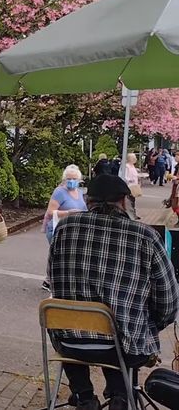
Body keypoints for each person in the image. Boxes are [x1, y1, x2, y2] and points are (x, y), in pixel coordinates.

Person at [48, 174, 179, 410]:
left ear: (88, 201)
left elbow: (53, 280)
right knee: (123, 332)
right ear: (124, 201)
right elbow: (168, 302)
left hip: (68, 342)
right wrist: (152, 323)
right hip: (123, 345)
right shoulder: (144, 236)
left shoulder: (65, 228)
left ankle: (84, 396)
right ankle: (120, 395)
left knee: (78, 328)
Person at [42, 164, 87, 291]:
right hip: (57, 228)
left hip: (73, 228)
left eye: (74, 179)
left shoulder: (79, 192)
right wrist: (68, 213)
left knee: (69, 255)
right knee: (58, 254)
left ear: (79, 180)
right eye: (69, 179)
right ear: (64, 179)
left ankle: (55, 280)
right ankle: (50, 281)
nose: (71, 181)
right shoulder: (59, 192)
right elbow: (50, 212)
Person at [124, 153, 140, 220]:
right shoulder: (127, 166)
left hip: (134, 186)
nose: (135, 159)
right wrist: (130, 180)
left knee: (133, 200)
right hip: (129, 186)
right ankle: (130, 214)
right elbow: (125, 176)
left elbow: (135, 175)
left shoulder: (132, 166)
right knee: (130, 200)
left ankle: (133, 214)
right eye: (134, 158)